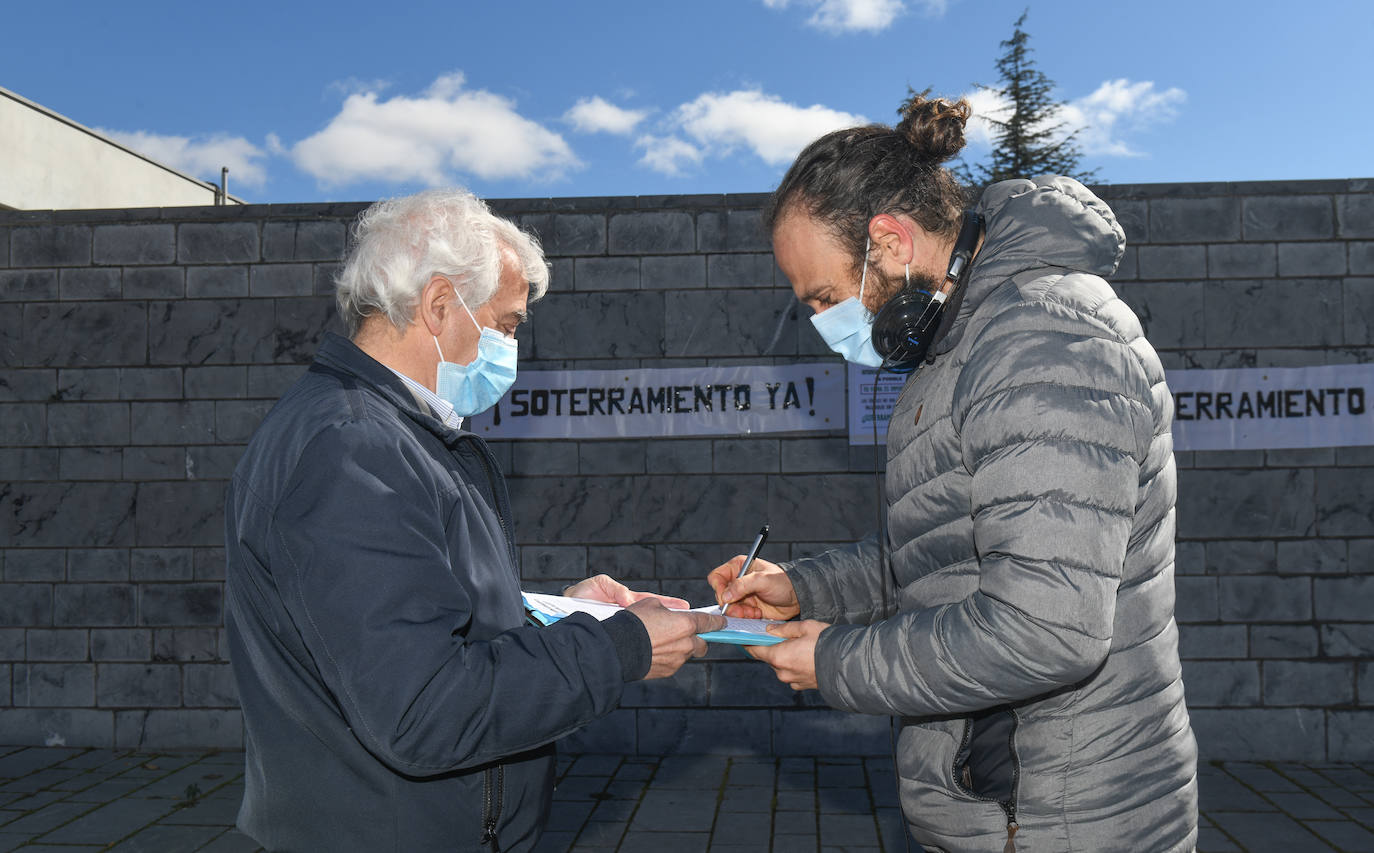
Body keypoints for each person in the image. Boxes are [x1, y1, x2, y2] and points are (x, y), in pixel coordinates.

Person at [709, 93, 1198, 852]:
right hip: (1006, 807)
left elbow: (1046, 628)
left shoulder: (1042, 339)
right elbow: (946, 552)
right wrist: (804, 588)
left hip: (1061, 819)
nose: (825, 324)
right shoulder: (961, 343)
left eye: (826, 297)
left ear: (890, 241)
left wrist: (835, 661)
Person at [225, 188, 723, 852]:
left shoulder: (387, 434)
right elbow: (423, 709)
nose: (511, 345)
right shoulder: (352, 449)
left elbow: (419, 619)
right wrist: (619, 649)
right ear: (439, 305)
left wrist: (556, 616)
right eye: (507, 325)